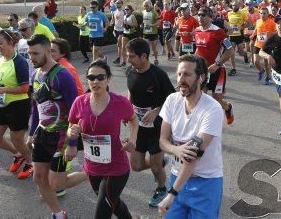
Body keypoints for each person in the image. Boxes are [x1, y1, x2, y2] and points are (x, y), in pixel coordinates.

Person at [65, 60, 139, 219]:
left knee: (102, 212)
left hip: (116, 168)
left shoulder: (120, 102)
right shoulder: (79, 102)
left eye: (100, 77)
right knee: (114, 202)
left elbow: (133, 120)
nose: (95, 81)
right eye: (91, 77)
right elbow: (70, 125)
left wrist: (133, 138)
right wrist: (71, 136)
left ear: (109, 79)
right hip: (92, 167)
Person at [157, 54, 224, 218]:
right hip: (178, 177)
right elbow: (163, 141)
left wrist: (172, 194)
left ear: (201, 78)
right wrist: (176, 150)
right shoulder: (172, 100)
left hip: (206, 183)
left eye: (187, 75)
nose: (181, 79)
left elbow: (193, 155)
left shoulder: (212, 109)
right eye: (179, 74)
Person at [27, 35, 86, 219]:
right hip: (43, 134)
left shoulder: (62, 75)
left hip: (61, 137)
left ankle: (92, 172)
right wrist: (31, 133)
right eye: (29, 54)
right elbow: (36, 106)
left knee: (55, 184)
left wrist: (72, 142)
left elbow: (76, 112)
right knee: (38, 178)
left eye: (35, 53)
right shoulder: (35, 74)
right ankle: (58, 214)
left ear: (47, 50)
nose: (32, 57)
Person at [125, 38, 175, 207]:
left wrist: (156, 111)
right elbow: (131, 92)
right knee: (136, 166)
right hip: (139, 126)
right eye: (127, 56)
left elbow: (172, 98)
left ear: (144, 56)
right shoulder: (130, 71)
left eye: (132, 56)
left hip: (158, 126)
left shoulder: (158, 75)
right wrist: (127, 110)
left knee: (155, 167)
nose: (129, 59)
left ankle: (162, 188)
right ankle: (160, 161)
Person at [0, 29, 33, 179]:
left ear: (11, 43)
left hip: (18, 105)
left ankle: (31, 162)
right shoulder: (0, 59)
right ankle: (19, 155)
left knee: (17, 139)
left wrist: (1, 89)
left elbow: (25, 88)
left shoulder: (20, 62)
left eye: (0, 43)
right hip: (1, 105)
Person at [194, 6, 235, 124]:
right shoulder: (197, 31)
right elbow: (199, 49)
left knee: (217, 98)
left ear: (210, 17)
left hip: (218, 70)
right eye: (199, 14)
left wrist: (217, 64)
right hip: (203, 70)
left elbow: (230, 50)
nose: (200, 17)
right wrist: (193, 60)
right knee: (201, 97)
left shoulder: (218, 32)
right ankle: (204, 123)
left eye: (203, 15)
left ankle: (228, 108)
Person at [251, 7, 277, 85]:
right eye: (261, 13)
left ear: (268, 14)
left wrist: (271, 33)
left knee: (267, 62)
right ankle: (261, 70)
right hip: (258, 43)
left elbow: (276, 31)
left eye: (264, 13)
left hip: (267, 45)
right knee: (255, 61)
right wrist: (252, 35)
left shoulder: (272, 22)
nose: (262, 15)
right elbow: (256, 29)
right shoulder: (258, 21)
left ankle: (268, 78)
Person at [227, 2, 250, 76]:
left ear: (238, 6)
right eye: (233, 5)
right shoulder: (229, 13)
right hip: (231, 35)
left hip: (239, 35)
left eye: (235, 5)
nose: (234, 6)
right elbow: (227, 22)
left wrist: (241, 27)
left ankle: (245, 55)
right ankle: (233, 69)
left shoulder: (242, 13)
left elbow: (248, 23)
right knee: (231, 52)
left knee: (240, 52)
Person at [141, 0, 161, 65]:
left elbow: (159, 22)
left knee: (153, 48)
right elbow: (142, 22)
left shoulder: (154, 12)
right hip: (145, 32)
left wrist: (152, 25)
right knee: (144, 47)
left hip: (153, 33)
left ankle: (156, 59)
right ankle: (146, 60)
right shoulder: (143, 12)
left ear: (150, 5)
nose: (145, 7)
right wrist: (141, 25)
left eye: (147, 5)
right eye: (144, 5)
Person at [111, 0, 125, 65]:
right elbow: (113, 20)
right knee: (118, 45)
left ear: (122, 4)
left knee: (120, 44)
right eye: (116, 3)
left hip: (122, 30)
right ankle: (119, 58)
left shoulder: (124, 11)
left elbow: (128, 19)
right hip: (116, 30)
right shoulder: (114, 12)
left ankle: (122, 60)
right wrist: (111, 23)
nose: (117, 4)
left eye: (119, 3)